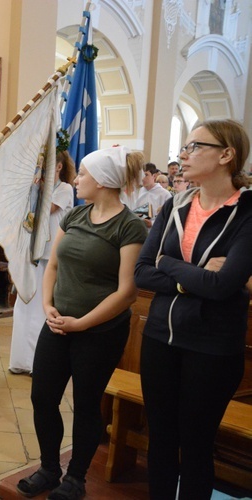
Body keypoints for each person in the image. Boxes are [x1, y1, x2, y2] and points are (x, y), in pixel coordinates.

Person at [17, 146, 146, 500]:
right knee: (42, 397)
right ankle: (48, 468)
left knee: (87, 404)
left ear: (103, 181)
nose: (76, 179)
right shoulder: (75, 215)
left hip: (100, 331)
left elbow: (127, 292)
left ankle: (76, 478)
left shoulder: (129, 226)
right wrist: (47, 306)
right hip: (58, 324)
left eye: (83, 174)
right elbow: (54, 266)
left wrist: (82, 323)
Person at [134, 119, 252, 500]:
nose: (182, 155)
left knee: (197, 445)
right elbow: (141, 272)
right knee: (161, 440)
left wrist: (168, 263)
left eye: (194, 147)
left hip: (212, 347)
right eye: (183, 148)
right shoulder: (175, 204)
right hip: (159, 339)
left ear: (226, 155)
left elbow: (223, 286)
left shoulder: (247, 212)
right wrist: (190, 276)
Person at [9, 150, 75, 375]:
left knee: (41, 305)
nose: (41, 168)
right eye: (39, 164)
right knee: (25, 301)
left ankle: (36, 362)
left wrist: (36, 188)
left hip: (51, 253)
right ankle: (20, 360)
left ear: (58, 166)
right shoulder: (35, 187)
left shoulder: (65, 188)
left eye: (45, 164)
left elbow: (49, 209)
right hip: (31, 249)